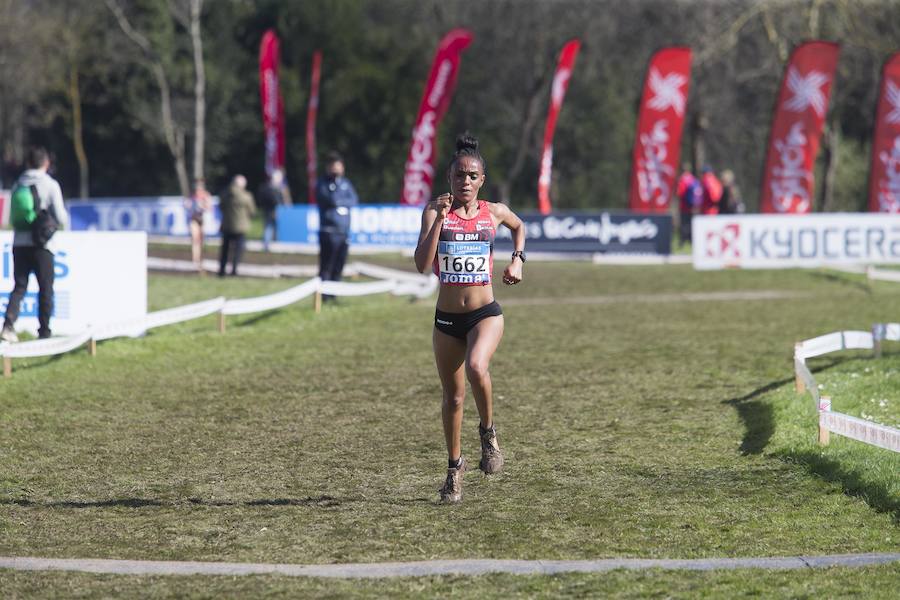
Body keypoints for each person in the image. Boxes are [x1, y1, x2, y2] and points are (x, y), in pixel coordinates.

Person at [414, 134, 526, 504]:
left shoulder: (492, 212)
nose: (465, 181)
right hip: (447, 319)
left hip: (484, 313)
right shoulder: (434, 211)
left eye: (473, 176)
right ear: (449, 177)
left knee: (478, 366)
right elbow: (420, 264)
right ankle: (454, 469)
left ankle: (489, 433)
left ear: (482, 180)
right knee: (454, 398)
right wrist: (440, 221)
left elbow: (519, 226)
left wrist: (517, 260)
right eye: (460, 175)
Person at [1, 146, 69, 342]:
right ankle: (44, 332)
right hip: (42, 245)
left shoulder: (17, 184)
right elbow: (61, 217)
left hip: (19, 243)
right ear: (46, 163)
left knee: (20, 286)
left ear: (28, 163)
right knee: (45, 288)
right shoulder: (50, 184)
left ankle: (8, 325)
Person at [315, 151, 359, 302]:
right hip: (328, 232)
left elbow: (353, 200)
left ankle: (334, 295)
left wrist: (340, 201)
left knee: (339, 265)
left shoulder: (346, 183)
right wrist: (340, 200)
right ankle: (323, 296)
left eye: (339, 166)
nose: (337, 169)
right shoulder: (322, 183)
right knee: (326, 265)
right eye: (334, 166)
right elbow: (330, 200)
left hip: (343, 232)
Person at [217, 174, 256, 277]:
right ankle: (234, 270)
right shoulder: (246, 196)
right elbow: (252, 211)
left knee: (225, 250)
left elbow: (221, 207)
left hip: (227, 225)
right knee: (238, 251)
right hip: (241, 227)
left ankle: (221, 270)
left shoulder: (225, 194)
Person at [257, 168, 292, 252]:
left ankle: (271, 242)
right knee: (269, 227)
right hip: (272, 211)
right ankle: (266, 244)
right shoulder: (271, 189)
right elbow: (275, 201)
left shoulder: (270, 187)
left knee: (270, 227)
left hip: (271, 211)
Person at [185, 179, 212, 273]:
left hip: (202, 219)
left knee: (201, 241)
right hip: (193, 219)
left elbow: (209, 208)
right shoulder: (191, 196)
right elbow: (186, 206)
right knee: (195, 239)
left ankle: (200, 259)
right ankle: (195, 259)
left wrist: (203, 206)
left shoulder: (205, 195)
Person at [675, 164, 702, 247]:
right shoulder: (693, 179)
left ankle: (682, 241)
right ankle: (691, 240)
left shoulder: (682, 180)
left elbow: (679, 193)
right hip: (693, 206)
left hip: (684, 206)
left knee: (684, 224)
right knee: (691, 224)